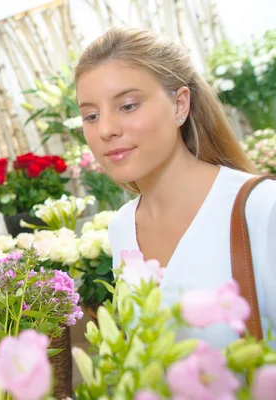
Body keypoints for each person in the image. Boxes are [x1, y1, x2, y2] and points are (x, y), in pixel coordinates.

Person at [74, 27, 276, 348]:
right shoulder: (123, 227)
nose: (106, 129)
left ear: (180, 105)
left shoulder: (260, 207)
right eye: (91, 115)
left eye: (127, 106)